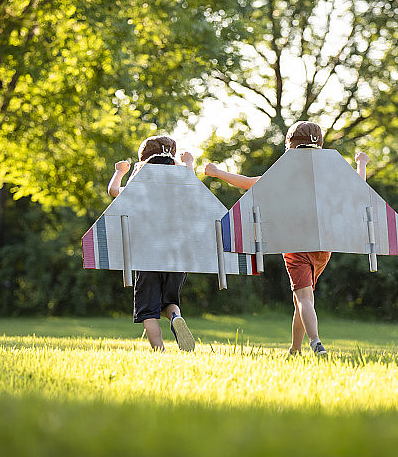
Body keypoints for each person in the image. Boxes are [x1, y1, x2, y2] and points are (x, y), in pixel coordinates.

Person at [204, 121, 369, 356]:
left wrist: (218, 173)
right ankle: (294, 349)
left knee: (303, 298)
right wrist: (361, 163)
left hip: (295, 243)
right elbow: (358, 189)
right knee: (303, 300)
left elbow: (251, 184)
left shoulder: (286, 174)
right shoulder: (328, 175)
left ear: (289, 147)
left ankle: (316, 342)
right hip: (323, 247)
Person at [107, 135, 196, 352]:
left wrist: (119, 172)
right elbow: (195, 190)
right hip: (177, 257)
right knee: (169, 302)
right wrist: (189, 165)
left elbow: (113, 192)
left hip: (147, 257)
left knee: (148, 312)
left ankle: (160, 352)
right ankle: (175, 317)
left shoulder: (140, 183)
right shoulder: (179, 180)